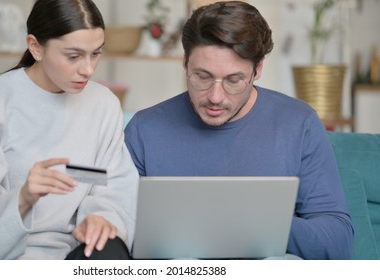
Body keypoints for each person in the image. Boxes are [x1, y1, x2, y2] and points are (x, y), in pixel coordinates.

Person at [124, 1, 353, 260]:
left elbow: (337, 242)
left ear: (258, 69)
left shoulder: (299, 124)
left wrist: (255, 223)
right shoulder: (145, 130)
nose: (215, 96)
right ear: (186, 62)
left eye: (233, 80)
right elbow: (120, 232)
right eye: (203, 76)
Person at [0, 0, 138, 260]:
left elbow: (112, 184)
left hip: (75, 253)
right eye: (73, 56)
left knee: (110, 251)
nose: (88, 69)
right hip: (6, 259)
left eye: (96, 53)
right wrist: (23, 198)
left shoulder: (104, 104)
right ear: (35, 47)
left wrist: (101, 218)